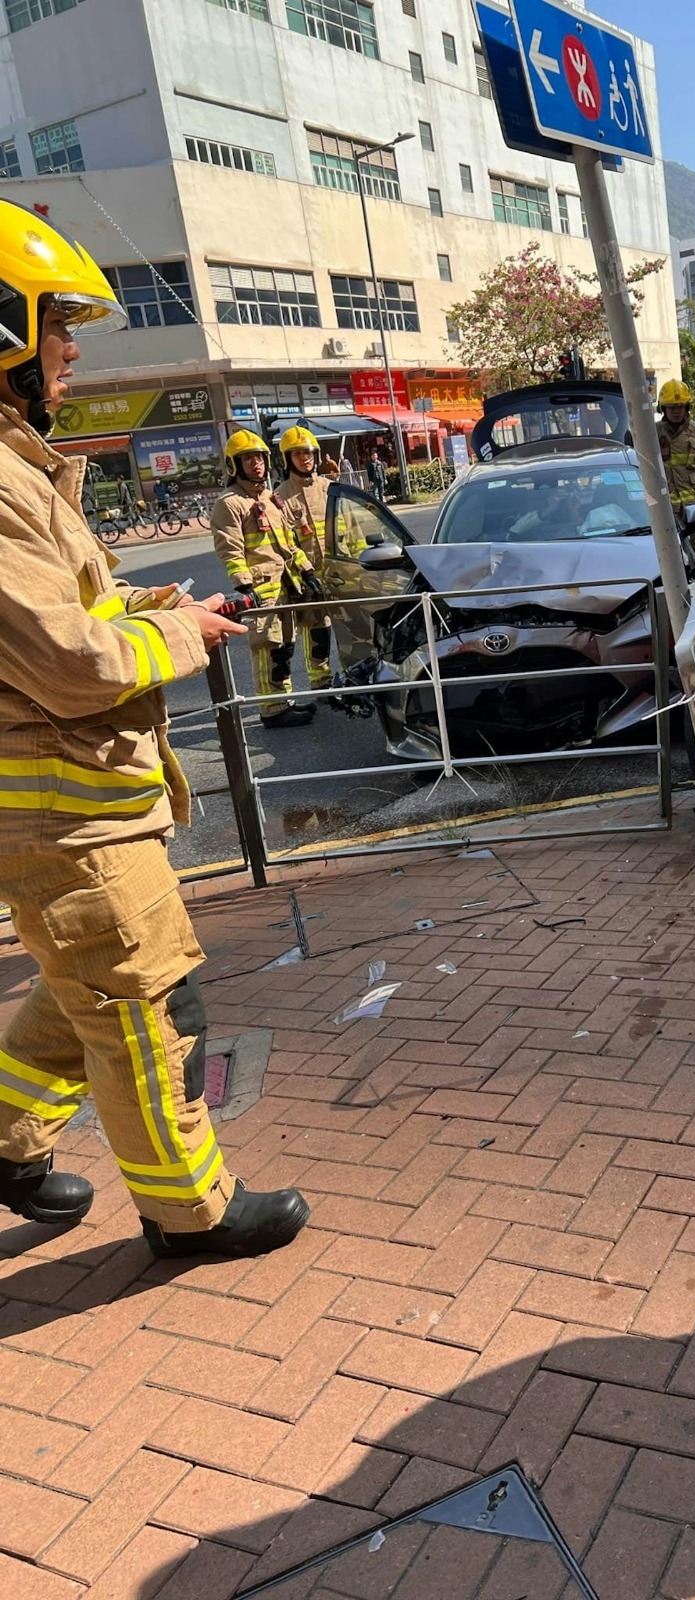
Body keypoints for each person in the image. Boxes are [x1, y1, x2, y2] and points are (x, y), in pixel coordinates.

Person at [0, 198, 309, 1257]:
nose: (72, 349)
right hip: (66, 814)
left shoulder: (20, 465)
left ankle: (2, 1136)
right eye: (56, 326)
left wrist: (167, 612)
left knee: (80, 985)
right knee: (146, 1007)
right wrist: (175, 642)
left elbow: (72, 619)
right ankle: (190, 1213)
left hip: (72, 811)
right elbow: (72, 662)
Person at [209, 431, 322, 728]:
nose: (256, 464)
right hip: (261, 591)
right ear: (235, 465)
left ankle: (284, 702)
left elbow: (290, 543)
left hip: (286, 587)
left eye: (259, 457)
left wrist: (307, 570)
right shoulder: (230, 503)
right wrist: (244, 586)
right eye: (247, 458)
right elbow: (229, 549)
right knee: (266, 648)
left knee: (285, 648)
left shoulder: (271, 499)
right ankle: (271, 710)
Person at [273, 425, 333, 694]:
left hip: (337, 572)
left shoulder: (329, 488)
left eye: (308, 452)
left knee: (350, 626)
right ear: (287, 459)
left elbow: (350, 529)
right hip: (304, 578)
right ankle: (320, 681)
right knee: (316, 627)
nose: (304, 458)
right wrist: (304, 574)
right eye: (297, 454)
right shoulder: (280, 496)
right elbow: (284, 543)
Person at [656, 379, 695, 521]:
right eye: (672, 407)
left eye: (680, 407)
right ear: (663, 408)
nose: (676, 411)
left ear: (687, 407)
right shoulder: (652, 433)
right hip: (665, 508)